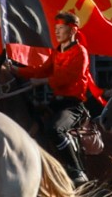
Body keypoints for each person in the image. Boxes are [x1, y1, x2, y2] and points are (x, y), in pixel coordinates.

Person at [8, 11, 103, 184]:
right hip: (56, 103)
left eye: (61, 28)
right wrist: (16, 70)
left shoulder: (80, 52)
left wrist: (43, 81)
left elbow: (69, 77)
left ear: (73, 31)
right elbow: (41, 69)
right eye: (56, 28)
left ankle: (77, 170)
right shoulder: (57, 51)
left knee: (55, 129)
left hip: (73, 105)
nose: (57, 32)